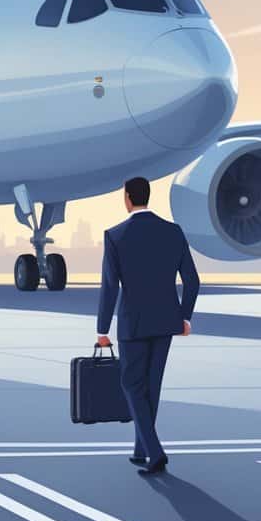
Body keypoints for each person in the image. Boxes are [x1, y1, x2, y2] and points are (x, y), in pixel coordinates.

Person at [96, 176, 199, 475]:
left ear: (128, 197)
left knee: (131, 384)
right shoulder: (173, 232)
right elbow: (192, 281)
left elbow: (110, 287)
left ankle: (154, 452)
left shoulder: (115, 235)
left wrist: (102, 329)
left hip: (134, 323)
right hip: (166, 321)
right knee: (152, 386)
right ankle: (141, 449)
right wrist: (184, 317)